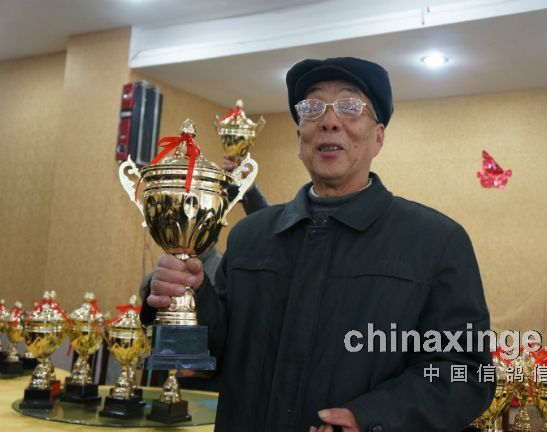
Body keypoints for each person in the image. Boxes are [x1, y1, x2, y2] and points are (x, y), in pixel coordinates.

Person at [143, 57, 495, 431]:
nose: (329, 120)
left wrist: (372, 417)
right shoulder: (250, 237)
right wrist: (187, 296)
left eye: (350, 106)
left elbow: (467, 373)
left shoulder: (436, 242)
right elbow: (203, 359)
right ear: (300, 137)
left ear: (377, 138)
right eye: (312, 107)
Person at [139, 156, 268, 391]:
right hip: (166, 369)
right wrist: (155, 288)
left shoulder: (225, 266)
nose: (188, 221)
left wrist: (249, 193)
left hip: (211, 379)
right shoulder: (163, 269)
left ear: (214, 223)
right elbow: (148, 308)